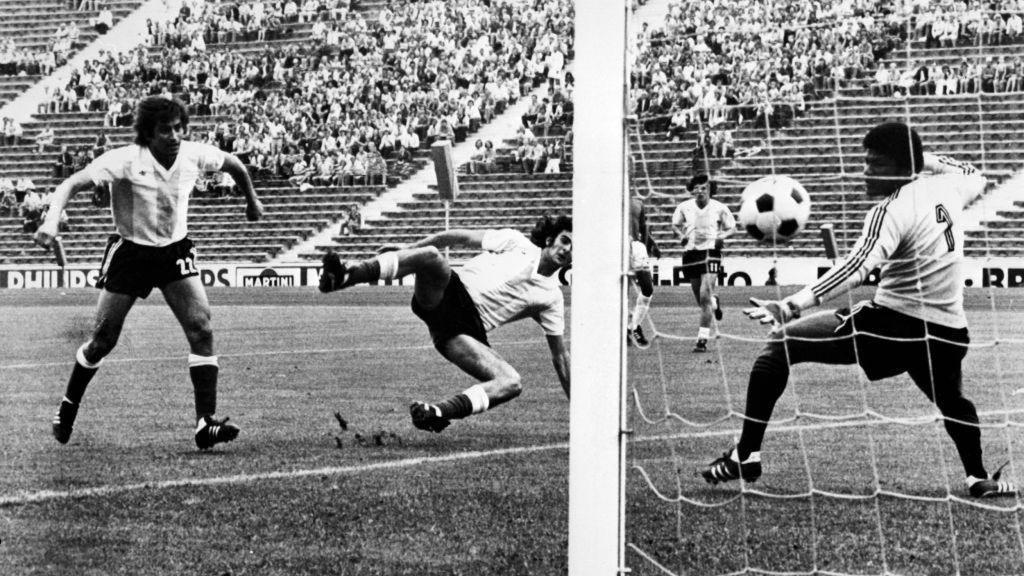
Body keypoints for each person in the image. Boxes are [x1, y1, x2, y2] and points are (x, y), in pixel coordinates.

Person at [700, 122, 1017, 499]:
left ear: (902, 166)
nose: (865, 173)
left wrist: (791, 304)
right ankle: (978, 477)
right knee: (953, 401)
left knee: (780, 344)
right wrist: (921, 160)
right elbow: (974, 173)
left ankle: (746, 453)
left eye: (876, 165)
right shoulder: (948, 186)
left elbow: (856, 266)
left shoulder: (890, 210)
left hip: (892, 326)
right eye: (865, 163)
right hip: (948, 332)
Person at [33, 96, 264, 450]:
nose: (173, 135)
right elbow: (72, 184)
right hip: (132, 253)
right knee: (103, 341)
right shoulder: (125, 159)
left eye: (178, 128)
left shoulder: (193, 153)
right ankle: (67, 407)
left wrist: (252, 201)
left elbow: (235, 165)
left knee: (202, 328)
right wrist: (51, 222)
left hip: (174, 251)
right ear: (147, 133)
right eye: (164, 130)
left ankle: (205, 424)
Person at [318, 215, 572, 433]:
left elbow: (560, 357)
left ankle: (437, 413)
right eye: (565, 240)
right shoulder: (517, 242)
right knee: (431, 256)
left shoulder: (551, 298)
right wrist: (406, 249)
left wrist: (582, 419)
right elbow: (456, 236)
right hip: (449, 291)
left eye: (574, 248)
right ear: (551, 239)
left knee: (511, 382)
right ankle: (344, 276)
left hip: (463, 332)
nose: (567, 249)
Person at [671, 174, 734, 352]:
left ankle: (702, 340)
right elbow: (675, 225)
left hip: (711, 253)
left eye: (704, 187)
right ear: (692, 190)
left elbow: (732, 227)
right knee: (702, 300)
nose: (700, 191)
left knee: (704, 295)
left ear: (709, 190)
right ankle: (715, 303)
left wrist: (722, 236)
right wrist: (681, 235)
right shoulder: (684, 207)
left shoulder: (719, 208)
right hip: (691, 254)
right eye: (696, 188)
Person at [626, 193, 659, 348]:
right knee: (620, 290)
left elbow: (643, 227)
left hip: (637, 247)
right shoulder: (607, 200)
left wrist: (652, 244)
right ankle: (621, 329)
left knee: (647, 288)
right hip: (616, 246)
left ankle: (633, 326)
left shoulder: (638, 202)